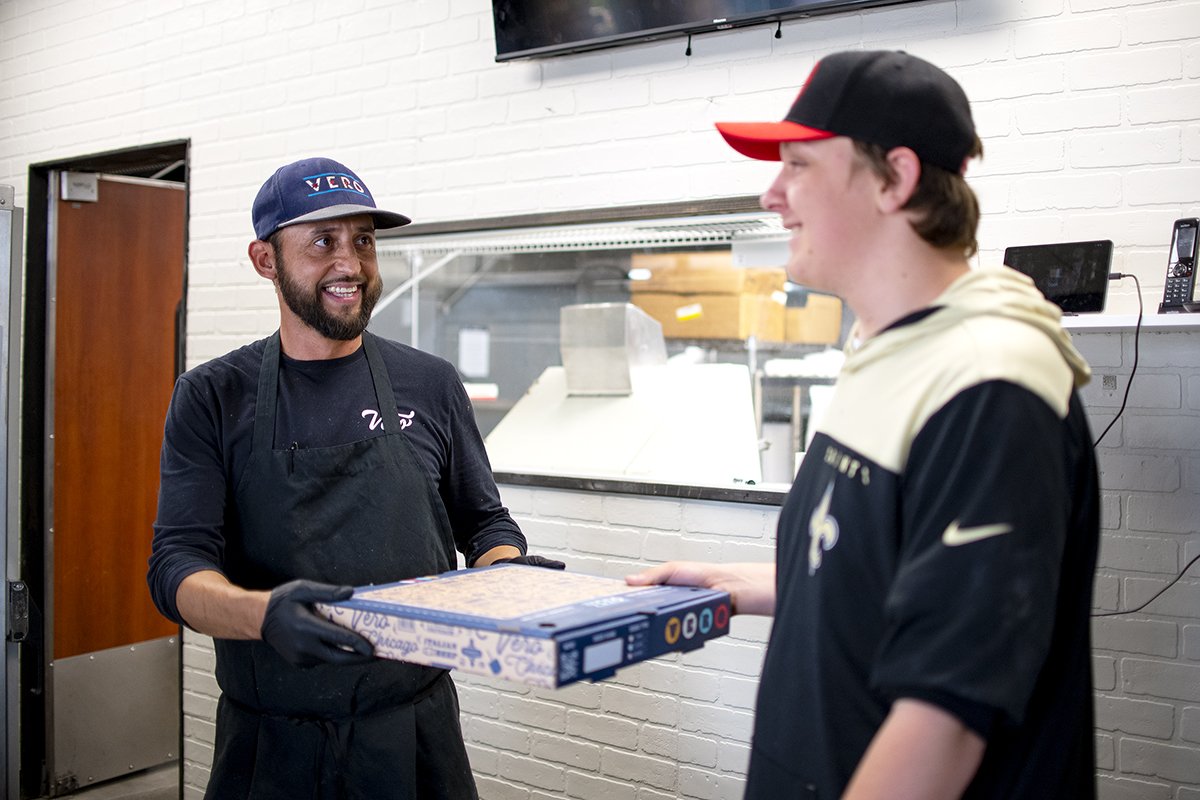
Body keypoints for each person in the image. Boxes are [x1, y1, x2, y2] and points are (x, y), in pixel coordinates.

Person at [629, 50, 1099, 800]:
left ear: (896, 179)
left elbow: (943, 721)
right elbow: (889, 571)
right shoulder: (885, 352)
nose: (772, 195)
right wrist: (738, 583)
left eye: (799, 166)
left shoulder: (990, 382)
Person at [147, 156, 560, 799]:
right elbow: (175, 567)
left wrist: (502, 576)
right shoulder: (211, 396)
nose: (351, 264)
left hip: (415, 736)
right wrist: (264, 615)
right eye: (323, 242)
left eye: (363, 240)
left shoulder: (430, 382)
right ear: (265, 261)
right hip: (269, 746)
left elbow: (485, 524)